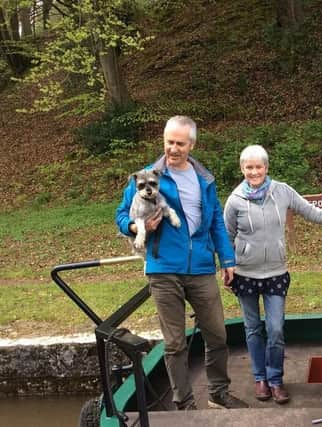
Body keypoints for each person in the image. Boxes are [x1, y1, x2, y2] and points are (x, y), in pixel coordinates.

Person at [116, 115, 248, 411]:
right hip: (164, 268)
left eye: (179, 143)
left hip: (201, 267)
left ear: (192, 144)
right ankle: (185, 404)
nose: (172, 149)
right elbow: (122, 215)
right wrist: (137, 228)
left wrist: (227, 259)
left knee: (217, 335)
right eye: (168, 142)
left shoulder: (205, 178)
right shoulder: (147, 176)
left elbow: (215, 220)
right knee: (175, 343)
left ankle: (218, 393)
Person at [223, 145, 322, 404]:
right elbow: (226, 236)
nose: (254, 171)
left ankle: (276, 380)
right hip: (245, 274)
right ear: (242, 169)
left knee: (276, 328)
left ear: (266, 168)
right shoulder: (235, 200)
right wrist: (226, 266)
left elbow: (310, 211)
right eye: (249, 167)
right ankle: (260, 379)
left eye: (259, 167)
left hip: (275, 273)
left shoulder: (282, 191)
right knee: (253, 328)